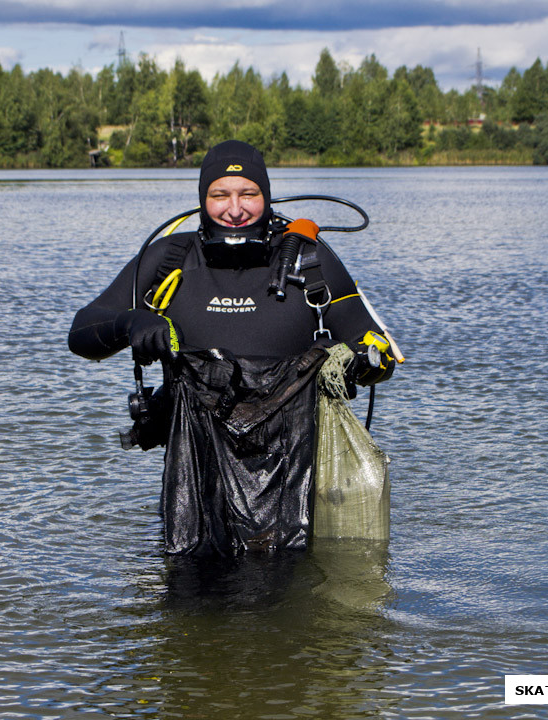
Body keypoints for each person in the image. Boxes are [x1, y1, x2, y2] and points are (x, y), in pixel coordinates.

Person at [69, 140, 398, 556]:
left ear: (267, 196)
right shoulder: (169, 259)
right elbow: (81, 335)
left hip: (299, 485)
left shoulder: (310, 261)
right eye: (220, 195)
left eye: (249, 194)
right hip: (195, 487)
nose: (235, 209)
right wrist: (133, 321)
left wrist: (365, 362)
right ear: (203, 199)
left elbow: (374, 347)